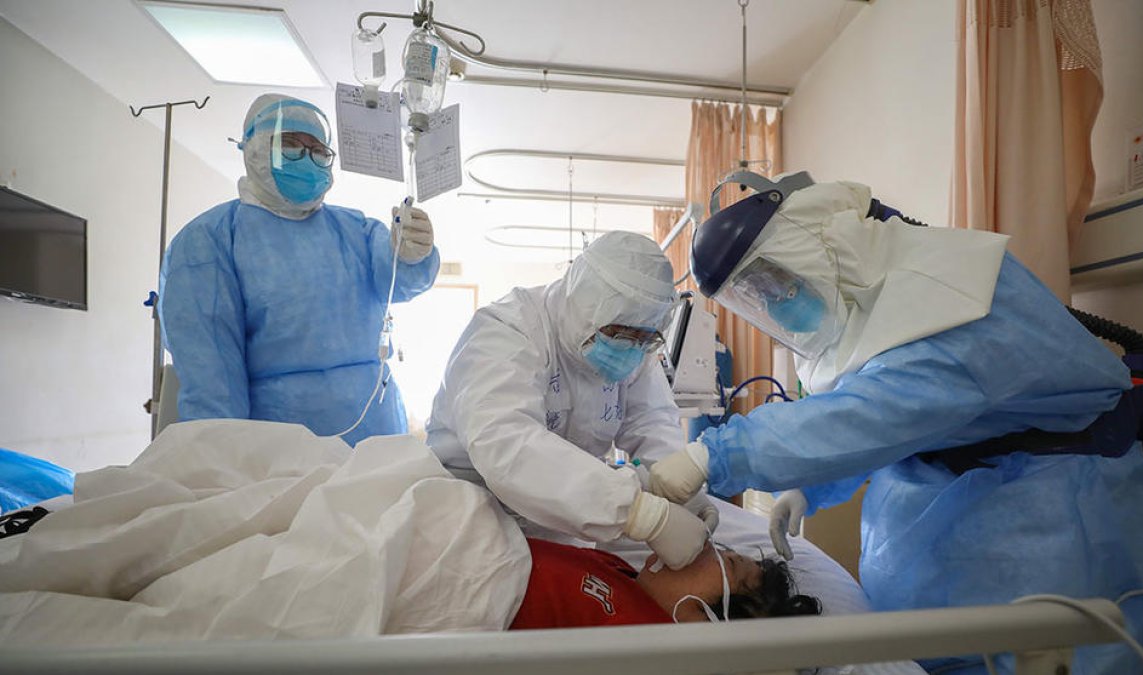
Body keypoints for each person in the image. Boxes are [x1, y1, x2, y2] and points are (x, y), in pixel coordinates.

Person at [648, 180, 1143, 673]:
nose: (774, 303)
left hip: (1048, 514)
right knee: (932, 652)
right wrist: (810, 487)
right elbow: (884, 414)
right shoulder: (876, 312)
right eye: (757, 296)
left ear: (820, 250)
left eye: (774, 283)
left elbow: (871, 413)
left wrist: (712, 457)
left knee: (1074, 653)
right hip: (957, 502)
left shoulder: (954, 310)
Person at [159, 94, 439, 446]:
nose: (307, 158)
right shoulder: (210, 241)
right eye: (291, 145)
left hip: (377, 438)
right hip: (277, 452)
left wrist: (415, 254)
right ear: (254, 149)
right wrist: (224, 464)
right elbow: (212, 382)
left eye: (318, 151)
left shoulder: (356, 230)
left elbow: (403, 282)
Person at [426, 231, 714, 571]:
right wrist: (639, 513)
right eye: (620, 334)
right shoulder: (506, 331)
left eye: (645, 338)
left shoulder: (635, 348)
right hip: (473, 512)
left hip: (568, 512)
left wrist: (681, 492)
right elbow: (507, 444)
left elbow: (649, 422)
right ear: (580, 304)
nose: (632, 347)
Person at [511, 539, 820, 629]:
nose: (706, 546)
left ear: (708, 619)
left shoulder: (646, 647)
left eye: (727, 561)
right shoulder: (625, 574)